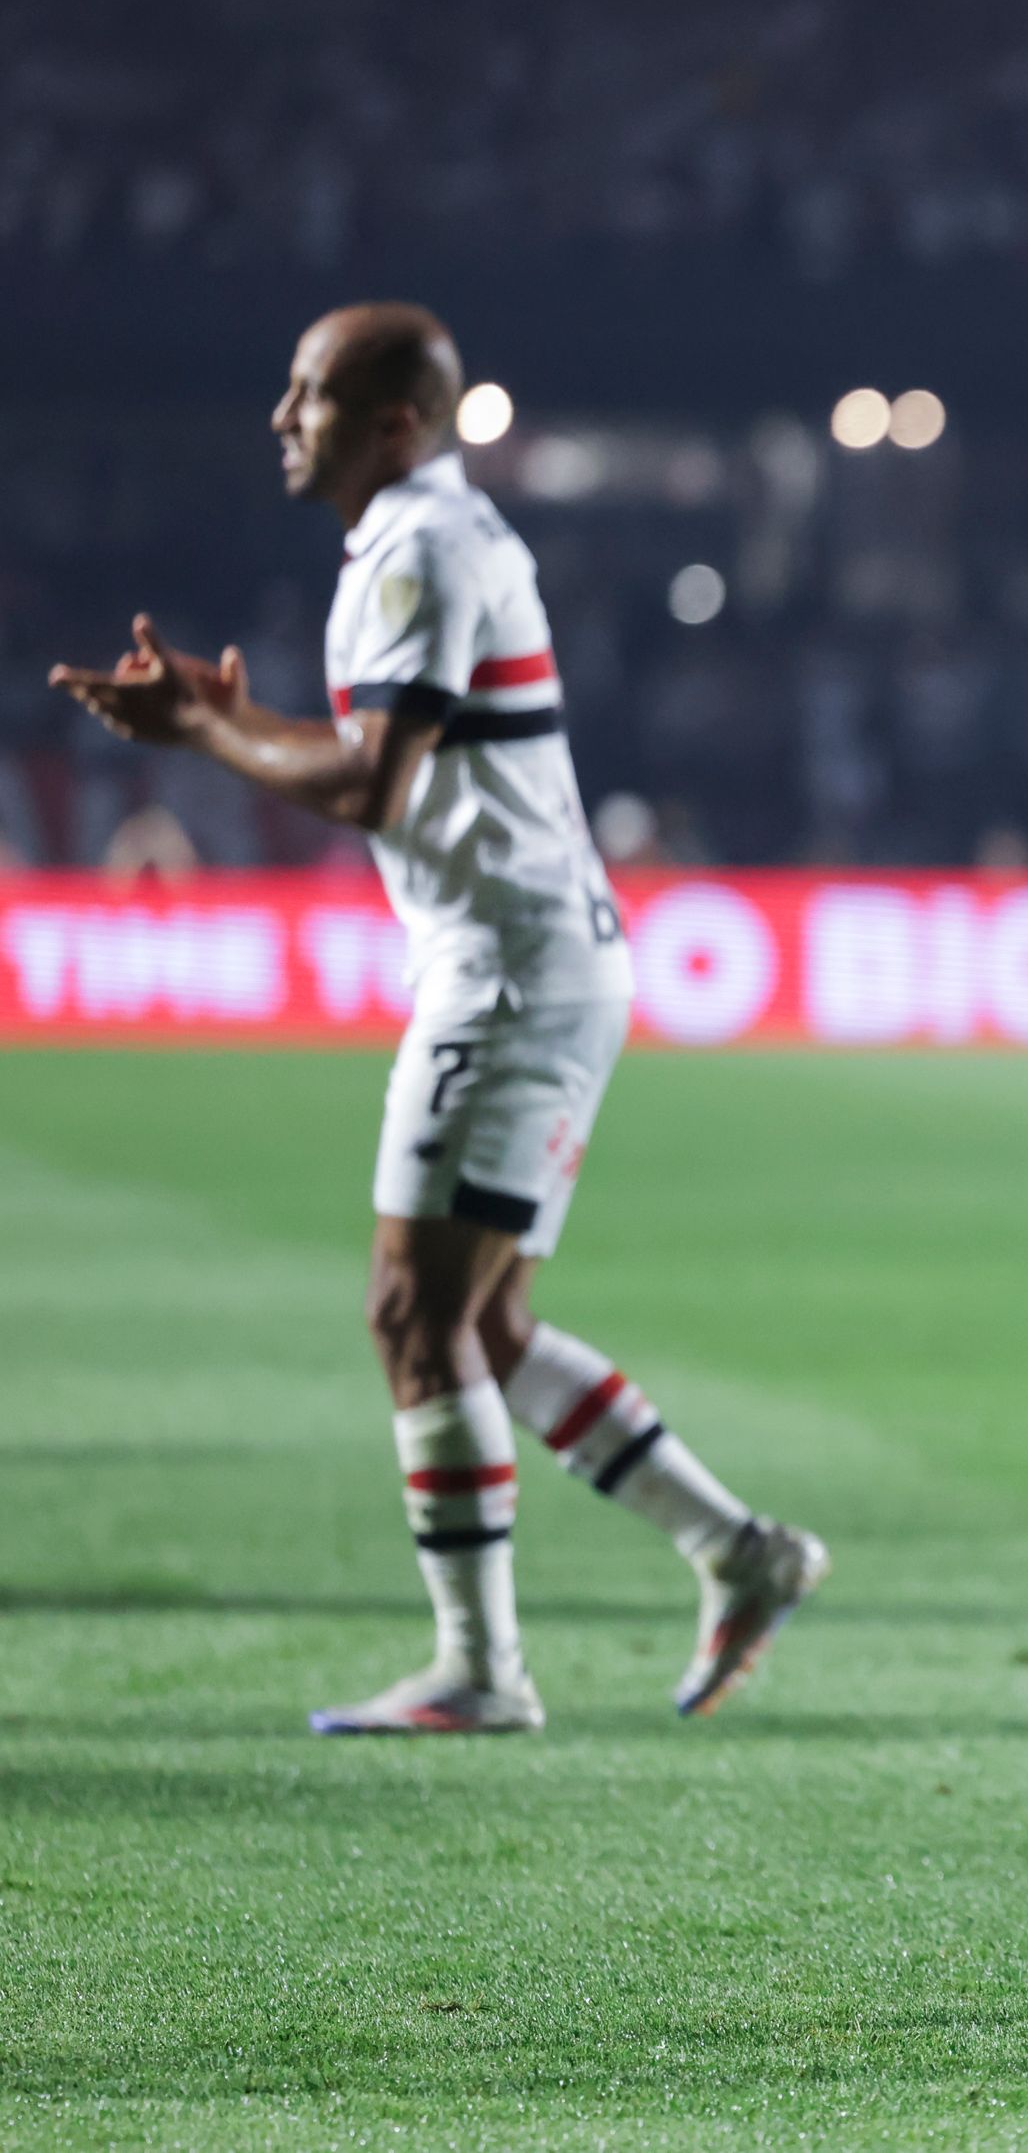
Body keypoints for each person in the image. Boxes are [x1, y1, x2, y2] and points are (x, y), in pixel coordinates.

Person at [47, 304, 826, 1731]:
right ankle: (739, 1546)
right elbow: (384, 758)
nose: (283, 417)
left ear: (394, 422)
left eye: (312, 395)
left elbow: (372, 786)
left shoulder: (416, 547)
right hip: (536, 958)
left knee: (415, 1310)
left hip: (510, 972)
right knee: (492, 1322)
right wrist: (236, 718)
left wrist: (207, 730)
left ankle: (481, 1670)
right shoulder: (431, 539)